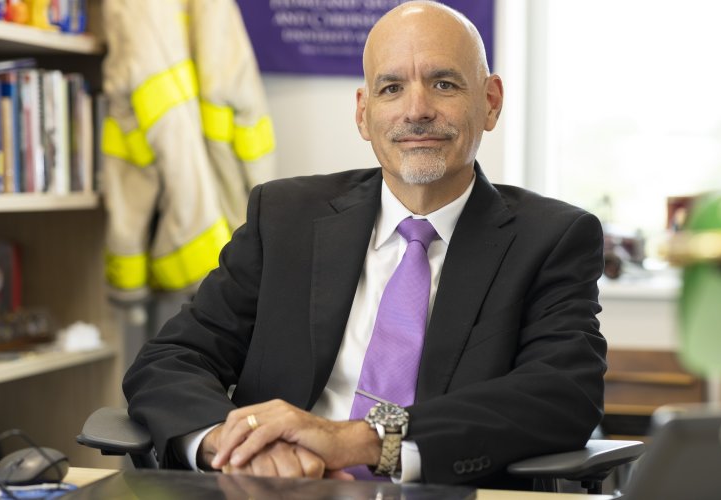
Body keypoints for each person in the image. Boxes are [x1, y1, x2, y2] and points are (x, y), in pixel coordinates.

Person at [123, 0, 607, 489]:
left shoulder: (551, 239)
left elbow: (562, 394)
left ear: (491, 101)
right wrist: (235, 442)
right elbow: (172, 358)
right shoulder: (286, 216)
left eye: (443, 83)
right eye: (392, 88)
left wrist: (365, 440)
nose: (417, 110)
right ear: (364, 113)